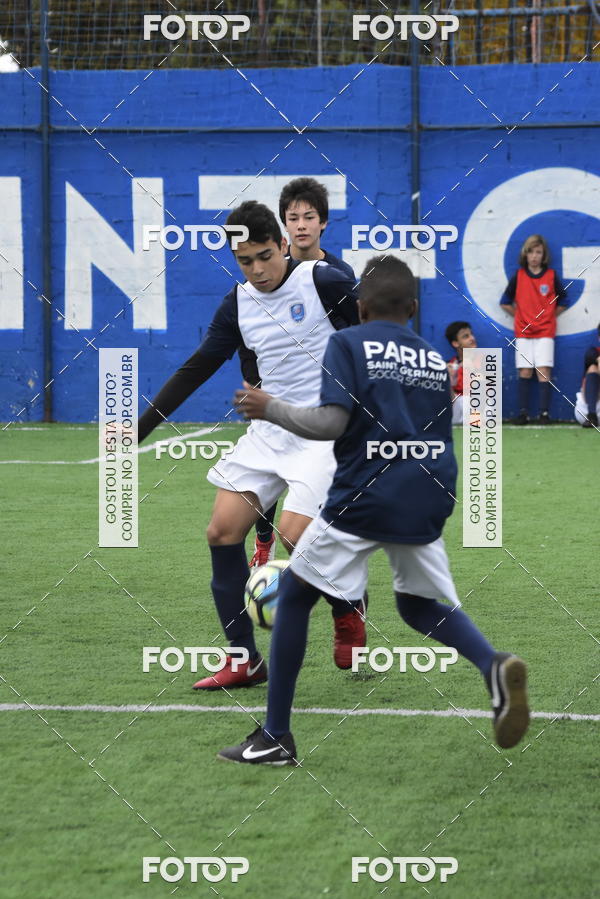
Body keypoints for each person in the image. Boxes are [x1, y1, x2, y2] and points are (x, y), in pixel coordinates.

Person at [218, 256, 530, 765]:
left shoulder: (347, 343)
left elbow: (331, 422)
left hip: (366, 494)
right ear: (413, 308)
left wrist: (269, 407)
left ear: (360, 307)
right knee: (418, 605)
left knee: (292, 597)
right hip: (428, 493)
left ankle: (275, 737)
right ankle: (492, 664)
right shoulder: (432, 359)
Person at [137, 200, 367, 688]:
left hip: (324, 432)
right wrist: (138, 429)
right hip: (268, 430)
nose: (258, 269)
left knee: (293, 537)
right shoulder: (238, 304)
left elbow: (374, 336)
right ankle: (244, 660)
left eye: (265, 256)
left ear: (283, 244)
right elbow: (197, 368)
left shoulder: (324, 282)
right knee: (221, 532)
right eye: (245, 261)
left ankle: (348, 603)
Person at [247, 177, 355, 566]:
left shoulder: (338, 273)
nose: (302, 225)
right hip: (276, 390)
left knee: (318, 477)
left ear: (323, 222)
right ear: (284, 225)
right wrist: (255, 380)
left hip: (324, 397)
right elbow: (250, 327)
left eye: (309, 217)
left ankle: (321, 548)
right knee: (265, 474)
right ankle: (264, 542)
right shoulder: (270, 269)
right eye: (293, 218)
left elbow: (353, 333)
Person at [500, 234, 568, 424]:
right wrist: (520, 316)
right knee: (525, 371)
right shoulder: (519, 276)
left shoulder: (551, 276)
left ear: (544, 255)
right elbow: (504, 302)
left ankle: (544, 414)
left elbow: (564, 300)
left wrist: (550, 315)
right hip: (523, 331)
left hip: (545, 331)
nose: (534, 256)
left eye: (538, 252)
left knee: (543, 370)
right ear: (525, 254)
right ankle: (523, 413)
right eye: (531, 252)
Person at [444, 320, 478, 425]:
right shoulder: (452, 363)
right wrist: (448, 378)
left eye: (471, 334)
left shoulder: (484, 360)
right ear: (455, 343)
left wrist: (471, 369)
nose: (472, 338)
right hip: (459, 407)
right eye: (466, 336)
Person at [574, 323, 600, 428]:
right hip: (586, 410)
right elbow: (591, 357)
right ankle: (592, 416)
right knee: (593, 367)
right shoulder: (593, 352)